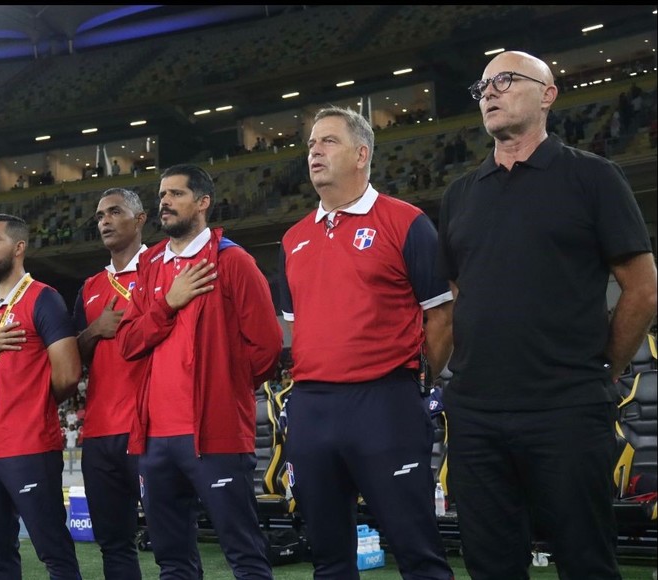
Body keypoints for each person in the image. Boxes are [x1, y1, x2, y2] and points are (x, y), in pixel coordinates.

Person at [438, 51, 658, 580]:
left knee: (585, 560)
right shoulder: (461, 193)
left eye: (506, 81)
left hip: (566, 406)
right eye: (483, 86)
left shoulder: (593, 177)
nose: (489, 92)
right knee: (490, 564)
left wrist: (603, 366)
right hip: (476, 414)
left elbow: (643, 288)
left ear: (548, 94)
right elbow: (452, 295)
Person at [278, 105, 454, 580]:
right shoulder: (293, 239)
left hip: (385, 402)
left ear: (361, 154)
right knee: (328, 557)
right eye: (312, 143)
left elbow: (440, 314)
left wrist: (416, 379)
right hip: (312, 406)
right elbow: (294, 328)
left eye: (328, 141)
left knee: (416, 548)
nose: (314, 150)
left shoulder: (406, 222)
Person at [117, 164, 282, 579]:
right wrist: (168, 303)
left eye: (176, 194)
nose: (165, 203)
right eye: (162, 196)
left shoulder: (234, 261)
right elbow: (129, 343)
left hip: (215, 434)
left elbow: (267, 347)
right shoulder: (150, 264)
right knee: (171, 560)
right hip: (155, 439)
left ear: (203, 202)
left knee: (243, 552)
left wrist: (224, 392)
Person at [0, 213, 83, 578]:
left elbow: (70, 374)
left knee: (53, 551)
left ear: (19, 247)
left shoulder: (44, 299)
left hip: (30, 448)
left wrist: (30, 405)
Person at [72, 187, 148, 579]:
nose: (104, 220)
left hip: (150, 426)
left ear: (140, 219)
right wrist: (94, 331)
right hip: (100, 433)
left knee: (171, 537)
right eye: (100, 215)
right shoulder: (88, 288)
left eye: (114, 212)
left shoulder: (162, 269)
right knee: (114, 543)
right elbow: (72, 356)